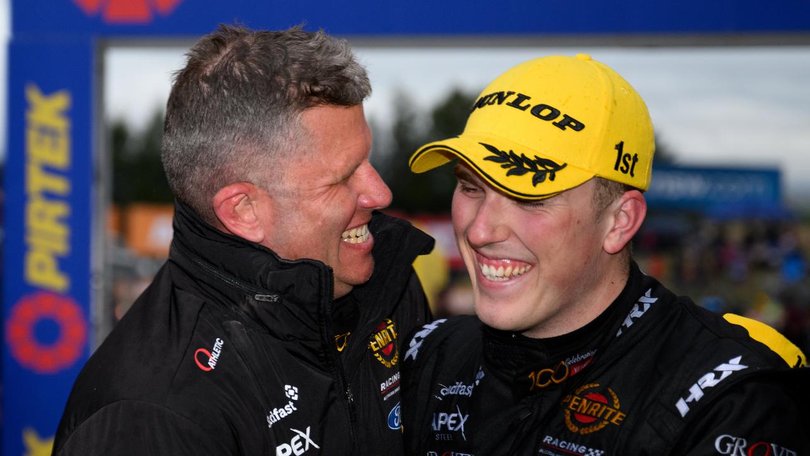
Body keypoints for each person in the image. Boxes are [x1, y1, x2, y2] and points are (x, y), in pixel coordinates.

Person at [53, 25, 433, 455]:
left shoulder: (386, 281)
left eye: (369, 159)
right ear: (243, 211)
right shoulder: (150, 416)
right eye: (343, 178)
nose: (380, 193)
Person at [401, 54, 809, 455]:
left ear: (619, 221)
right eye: (471, 187)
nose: (478, 230)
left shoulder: (729, 394)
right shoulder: (431, 354)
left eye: (529, 198)